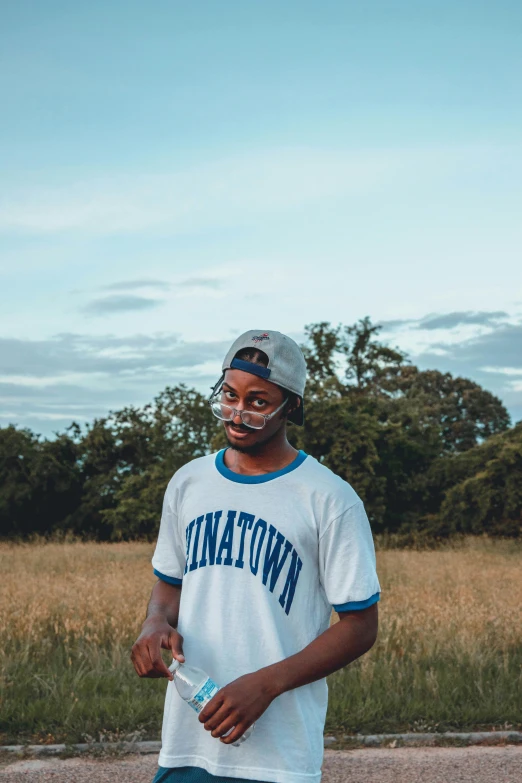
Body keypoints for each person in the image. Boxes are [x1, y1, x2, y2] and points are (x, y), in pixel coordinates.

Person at [131, 329, 381, 783]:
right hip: (187, 743)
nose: (237, 413)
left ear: (293, 407)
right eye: (229, 395)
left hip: (279, 756)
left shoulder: (328, 498)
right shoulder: (189, 482)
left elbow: (361, 626)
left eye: (258, 402)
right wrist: (155, 623)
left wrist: (265, 684)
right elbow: (171, 583)